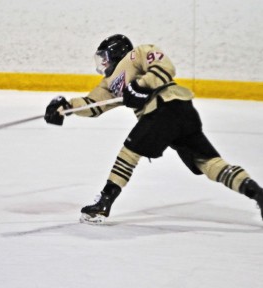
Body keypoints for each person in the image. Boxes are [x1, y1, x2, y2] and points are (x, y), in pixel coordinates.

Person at [44, 34, 263, 224]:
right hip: (183, 113)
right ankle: (257, 193)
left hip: (164, 109)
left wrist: (140, 85)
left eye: (104, 57)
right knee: (208, 162)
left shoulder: (136, 54)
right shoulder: (110, 83)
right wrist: (66, 107)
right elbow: (94, 105)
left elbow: (165, 68)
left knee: (129, 152)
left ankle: (104, 202)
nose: (103, 63)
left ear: (116, 53)